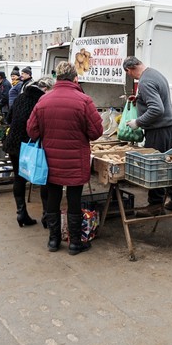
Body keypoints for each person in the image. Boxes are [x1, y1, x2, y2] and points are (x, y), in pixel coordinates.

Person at [27, 61, 103, 254]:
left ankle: (53, 241)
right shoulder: (84, 100)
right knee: (74, 199)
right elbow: (96, 132)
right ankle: (75, 242)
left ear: (57, 78)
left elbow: (32, 131)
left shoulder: (43, 100)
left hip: (50, 160)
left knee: (53, 197)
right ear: (74, 77)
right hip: (75, 161)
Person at [121, 56, 172, 216]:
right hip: (168, 127)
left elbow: (157, 109)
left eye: (129, 74)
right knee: (167, 164)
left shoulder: (145, 82)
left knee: (156, 166)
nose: (130, 76)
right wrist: (139, 100)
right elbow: (157, 98)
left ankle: (155, 206)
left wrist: (138, 122)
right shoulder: (154, 73)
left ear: (130, 70)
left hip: (159, 130)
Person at [3, 77, 54, 228]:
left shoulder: (20, 97)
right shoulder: (43, 101)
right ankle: (46, 215)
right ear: (46, 89)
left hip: (13, 144)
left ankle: (21, 213)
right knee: (44, 177)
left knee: (19, 177)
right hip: (32, 145)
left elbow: (9, 118)